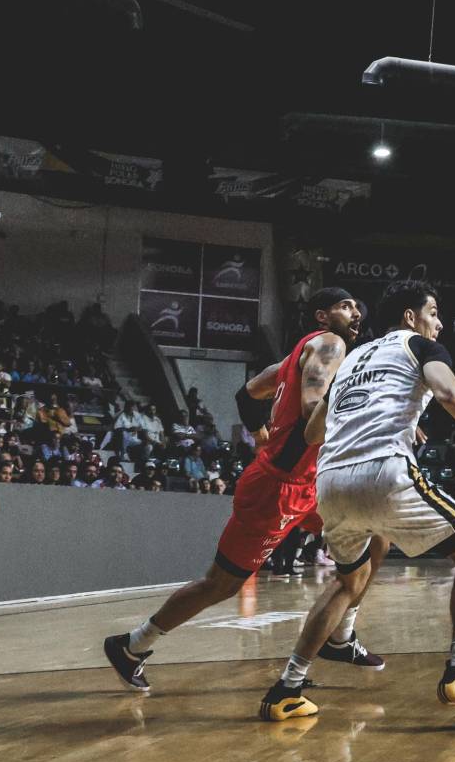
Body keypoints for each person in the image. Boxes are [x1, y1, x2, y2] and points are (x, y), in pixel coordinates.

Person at [259, 280, 455, 721]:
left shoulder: (352, 357)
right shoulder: (419, 345)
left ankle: (287, 688)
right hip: (384, 471)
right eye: (433, 312)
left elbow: (313, 433)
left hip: (331, 484)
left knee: (348, 581)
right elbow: (450, 394)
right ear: (411, 317)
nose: (440, 322)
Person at [102, 289, 364, 693]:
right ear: (322, 316)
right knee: (221, 585)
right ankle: (132, 645)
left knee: (369, 532)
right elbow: (313, 411)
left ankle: (340, 638)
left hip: (306, 483)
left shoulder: (296, 356)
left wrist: (262, 435)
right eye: (345, 306)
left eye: (356, 307)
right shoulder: (330, 344)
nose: (355, 312)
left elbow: (248, 393)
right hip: (279, 487)